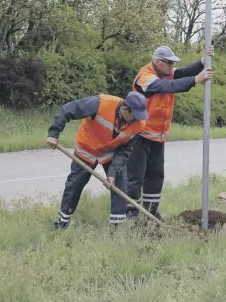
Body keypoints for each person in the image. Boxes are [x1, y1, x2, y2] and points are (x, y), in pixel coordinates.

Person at [125, 45, 213, 222]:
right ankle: (130, 214)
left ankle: (151, 212)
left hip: (158, 136)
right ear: (158, 62)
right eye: (169, 64)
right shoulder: (146, 77)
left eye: (173, 64)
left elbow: (183, 73)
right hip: (139, 135)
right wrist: (196, 79)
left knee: (156, 175)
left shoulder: (165, 72)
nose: (172, 68)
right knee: (135, 177)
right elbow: (167, 86)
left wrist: (203, 61)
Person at [47, 91, 149, 230]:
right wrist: (54, 133)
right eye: (135, 116)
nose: (137, 120)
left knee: (119, 185)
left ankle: (116, 229)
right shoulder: (101, 103)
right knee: (75, 184)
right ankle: (62, 224)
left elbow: (125, 150)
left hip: (110, 152)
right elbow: (68, 109)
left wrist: (112, 173)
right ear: (125, 109)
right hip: (87, 148)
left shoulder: (139, 125)